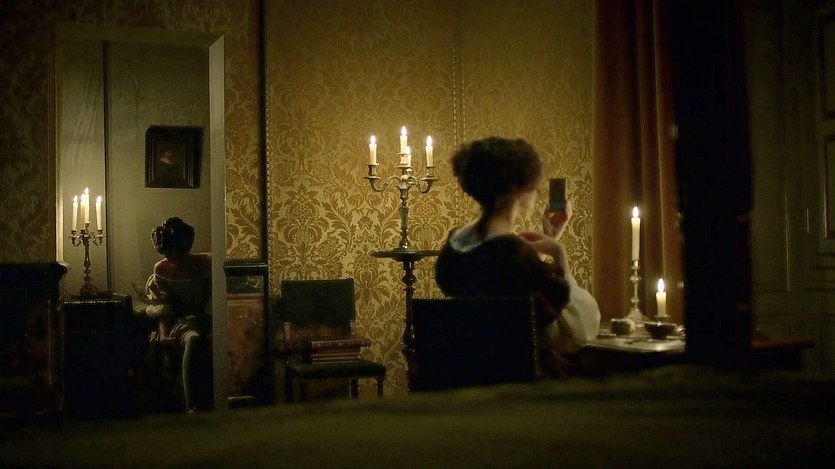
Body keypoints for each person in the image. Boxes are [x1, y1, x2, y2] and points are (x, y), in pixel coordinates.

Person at [434, 136, 600, 377]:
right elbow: (575, 331)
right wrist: (559, 253)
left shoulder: (455, 247)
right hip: (515, 381)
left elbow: (504, 277)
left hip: (467, 376)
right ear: (519, 192)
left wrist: (549, 238)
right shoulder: (514, 255)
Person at [137, 217, 212, 412]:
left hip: (204, 318)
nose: (170, 256)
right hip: (179, 323)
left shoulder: (205, 262)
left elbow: (214, 299)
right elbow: (164, 307)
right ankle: (191, 407)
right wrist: (163, 334)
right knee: (192, 338)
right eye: (166, 252)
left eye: (174, 252)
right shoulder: (161, 268)